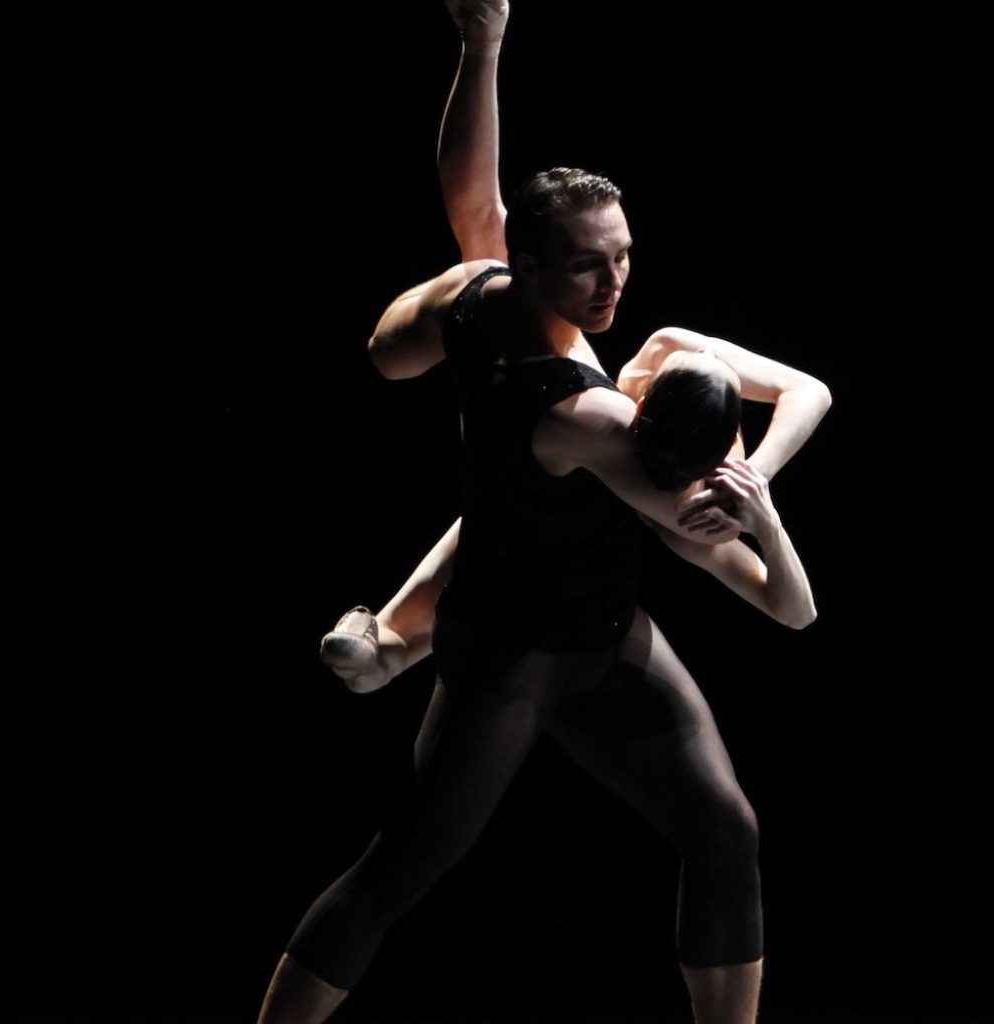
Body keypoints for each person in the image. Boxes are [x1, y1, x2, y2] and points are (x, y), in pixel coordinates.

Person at [257, 5, 829, 1023]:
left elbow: (472, 197)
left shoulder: (487, 291)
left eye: (621, 256)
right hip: (507, 652)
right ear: (534, 264)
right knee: (404, 865)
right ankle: (399, 638)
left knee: (725, 829)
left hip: (604, 630)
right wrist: (760, 511)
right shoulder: (593, 415)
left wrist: (482, 48)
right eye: (583, 266)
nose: (611, 284)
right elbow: (784, 604)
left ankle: (394, 636)